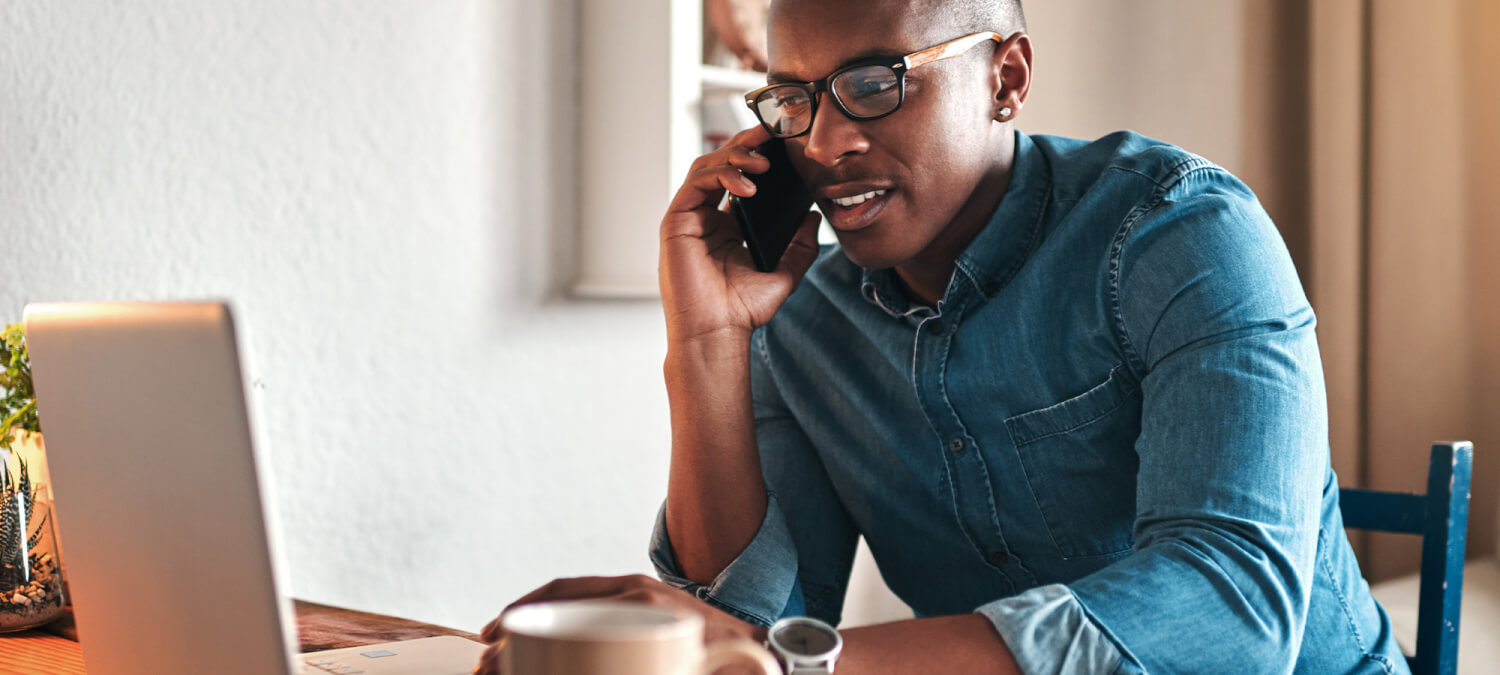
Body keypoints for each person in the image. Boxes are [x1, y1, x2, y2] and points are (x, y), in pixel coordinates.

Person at [479, 0, 1409, 672]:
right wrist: (708, 346)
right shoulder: (804, 319)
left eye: (875, 85)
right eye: (795, 100)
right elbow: (751, 629)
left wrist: (797, 662)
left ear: (1006, 77)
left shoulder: (1179, 232)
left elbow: (1233, 612)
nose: (826, 142)